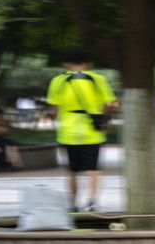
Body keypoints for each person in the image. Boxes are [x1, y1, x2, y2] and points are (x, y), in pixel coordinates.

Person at [46, 50, 116, 212]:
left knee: (72, 170)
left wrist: (51, 116)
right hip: (93, 132)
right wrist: (105, 120)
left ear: (65, 64)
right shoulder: (98, 79)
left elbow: (53, 108)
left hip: (67, 132)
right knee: (93, 168)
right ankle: (92, 201)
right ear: (87, 64)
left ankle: (73, 204)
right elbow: (110, 104)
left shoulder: (58, 81)